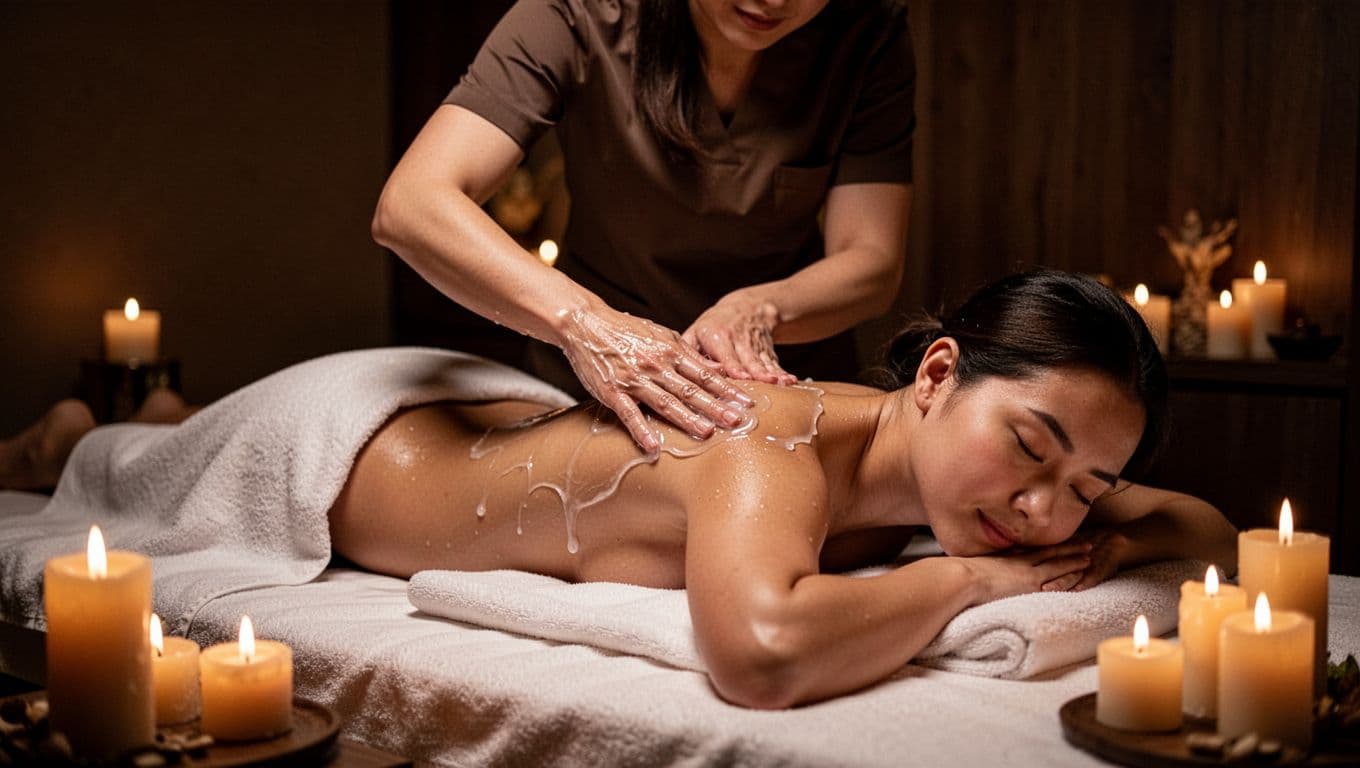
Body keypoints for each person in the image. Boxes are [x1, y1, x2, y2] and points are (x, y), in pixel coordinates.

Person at [0, 271, 1238, 709]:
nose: (1047, 513)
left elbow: (1204, 531)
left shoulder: (983, 486)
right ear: (935, 375)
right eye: (1030, 448)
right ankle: (79, 433)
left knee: (149, 443)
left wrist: (1091, 525)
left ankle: (130, 421)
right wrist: (973, 580)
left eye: (1089, 487)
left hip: (509, 420)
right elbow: (761, 652)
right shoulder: (770, 443)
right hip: (358, 440)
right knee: (122, 472)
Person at [373, 0, 916, 453]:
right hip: (591, 397)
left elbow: (871, 260)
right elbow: (413, 202)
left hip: (781, 390)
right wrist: (587, 325)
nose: (774, 0)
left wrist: (761, 309)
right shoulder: (579, 13)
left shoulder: (866, 31)